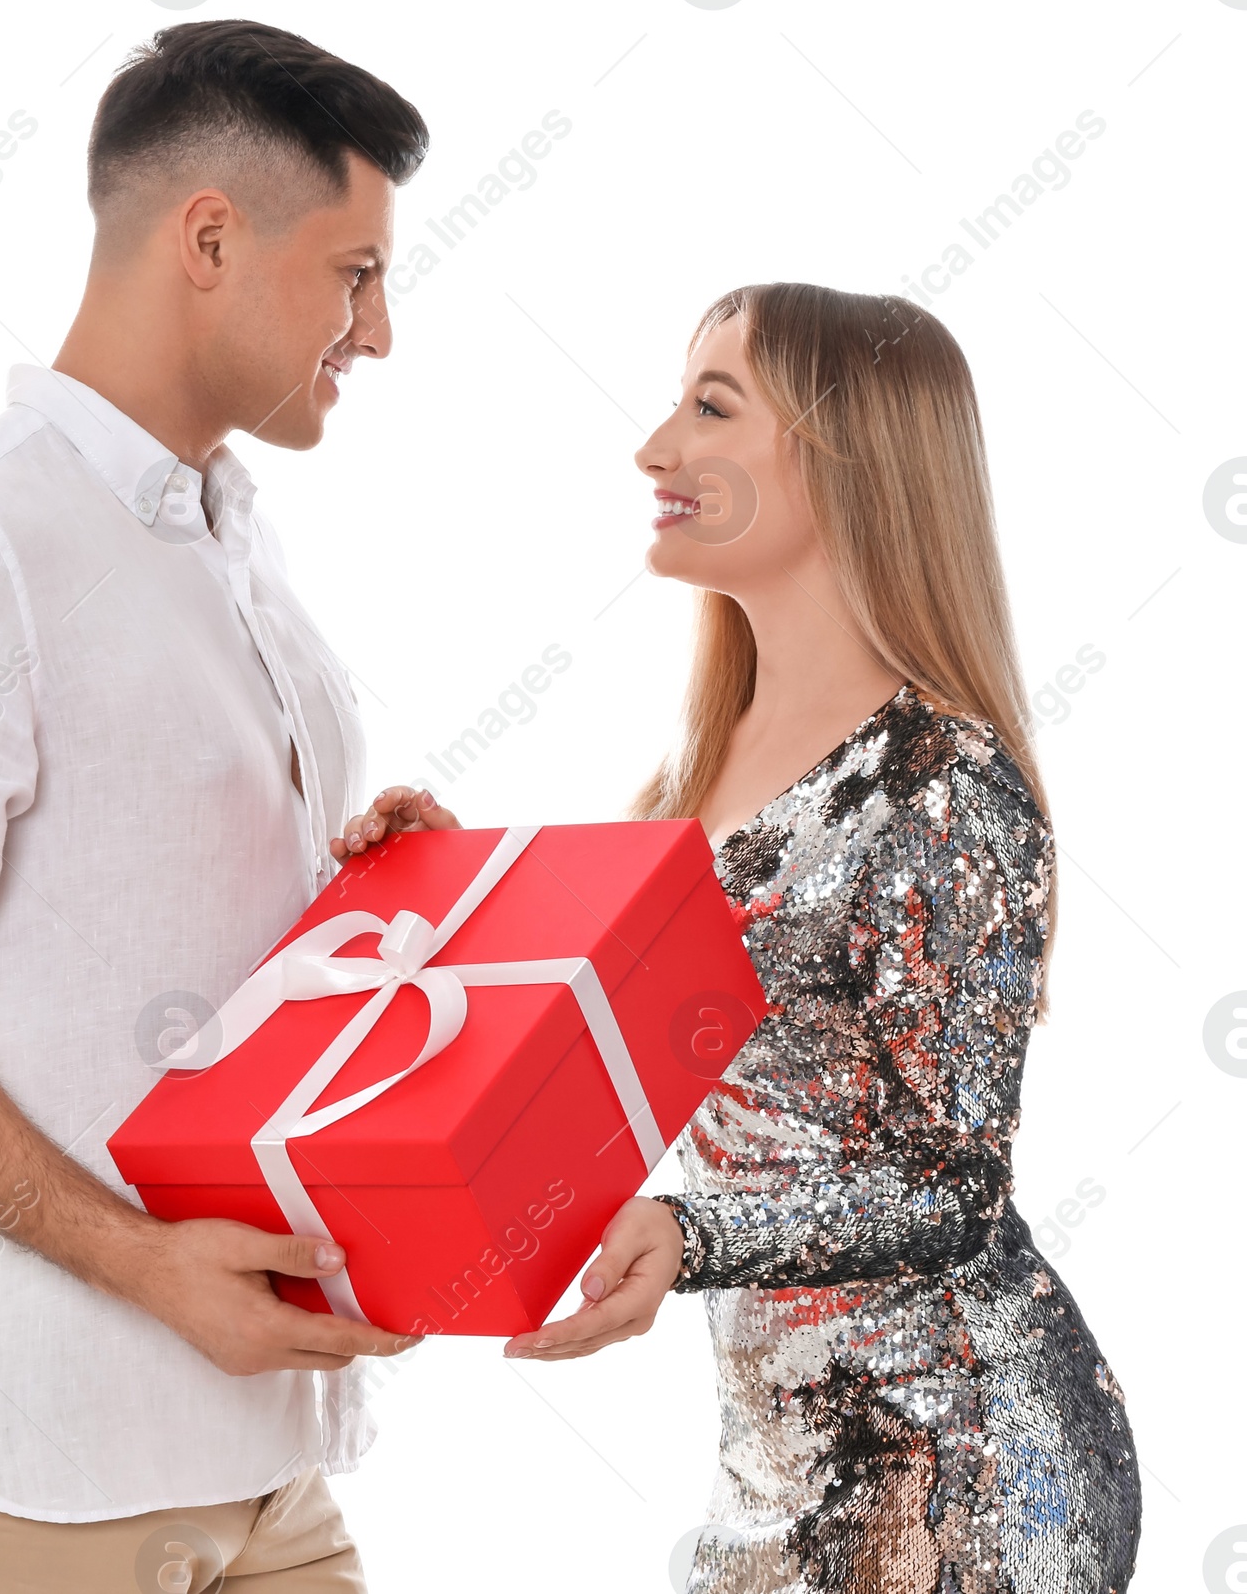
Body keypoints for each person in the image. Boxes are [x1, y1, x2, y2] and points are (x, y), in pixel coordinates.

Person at [0, 19, 449, 1592]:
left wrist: (381, 896)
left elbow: (170, 920)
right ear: (208, 237)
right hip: (26, 1463)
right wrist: (143, 1264)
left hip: (261, 1447)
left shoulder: (234, 544)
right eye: (357, 273)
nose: (383, 331)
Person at [338, 285, 1142, 1591]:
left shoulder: (945, 783)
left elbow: (954, 1190)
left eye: (712, 407)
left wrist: (695, 1238)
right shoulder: (691, 785)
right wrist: (445, 890)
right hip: (780, 1464)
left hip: (964, 1472)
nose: (654, 447)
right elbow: (600, 1035)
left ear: (850, 461)